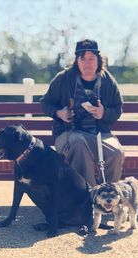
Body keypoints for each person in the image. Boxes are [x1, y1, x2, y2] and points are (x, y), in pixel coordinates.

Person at [40, 39, 124, 186]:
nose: (87, 62)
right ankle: (88, 194)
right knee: (78, 142)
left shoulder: (107, 80)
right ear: (76, 61)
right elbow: (45, 103)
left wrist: (104, 112)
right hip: (68, 133)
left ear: (98, 60)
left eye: (91, 58)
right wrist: (59, 113)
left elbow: (117, 109)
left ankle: (108, 196)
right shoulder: (64, 78)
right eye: (83, 58)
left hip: (99, 134)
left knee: (116, 153)